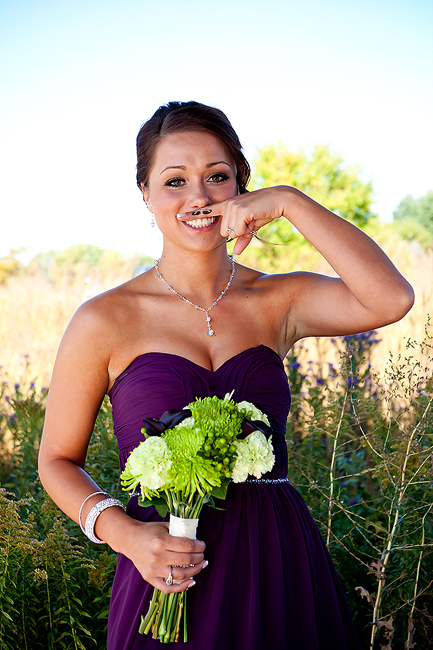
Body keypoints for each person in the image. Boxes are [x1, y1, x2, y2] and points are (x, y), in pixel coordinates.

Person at [38, 101, 414, 650]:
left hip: (277, 561)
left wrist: (289, 201)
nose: (199, 197)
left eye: (217, 176)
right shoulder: (105, 319)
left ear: (241, 186)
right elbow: (55, 460)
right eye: (175, 181)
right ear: (145, 193)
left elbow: (391, 298)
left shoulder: (277, 300)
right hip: (167, 568)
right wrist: (126, 535)